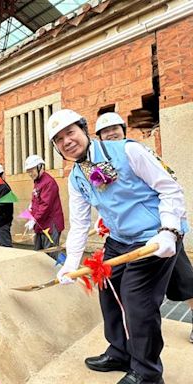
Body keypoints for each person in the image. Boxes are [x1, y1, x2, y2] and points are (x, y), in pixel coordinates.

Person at [48, 109, 186, 384]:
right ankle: (120, 352)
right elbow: (79, 222)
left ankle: (147, 373)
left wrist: (169, 230)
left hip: (153, 238)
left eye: (70, 132)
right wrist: (71, 263)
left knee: (138, 302)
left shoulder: (128, 151)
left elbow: (170, 188)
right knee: (108, 295)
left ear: (84, 130)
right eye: (59, 139)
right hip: (119, 240)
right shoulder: (76, 177)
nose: (67, 141)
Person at [96, 112, 193, 344]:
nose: (111, 134)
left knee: (185, 281)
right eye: (105, 132)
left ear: (123, 130)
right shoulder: (101, 164)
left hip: (162, 230)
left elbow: (168, 187)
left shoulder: (136, 152)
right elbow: (114, 199)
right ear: (98, 137)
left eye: (115, 129)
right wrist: (106, 222)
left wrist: (170, 228)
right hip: (136, 236)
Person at [23, 154, 65, 259]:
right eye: (28, 171)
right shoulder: (37, 181)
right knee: (39, 254)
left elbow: (45, 205)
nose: (30, 174)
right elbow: (37, 200)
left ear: (40, 167)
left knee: (50, 255)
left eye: (32, 170)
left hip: (50, 224)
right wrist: (31, 209)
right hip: (41, 223)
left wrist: (34, 219)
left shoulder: (48, 182)